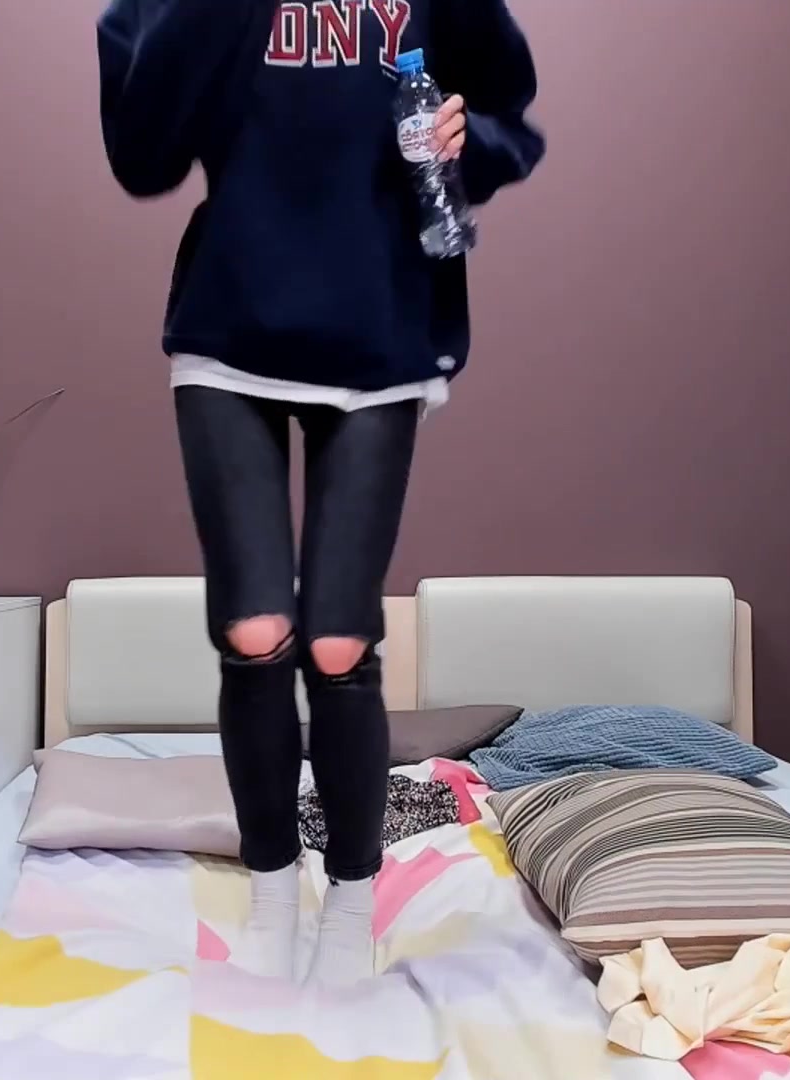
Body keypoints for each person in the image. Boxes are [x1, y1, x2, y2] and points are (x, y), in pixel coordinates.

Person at [96, 0, 543, 985]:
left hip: (381, 335)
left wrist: (468, 142)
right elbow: (142, 156)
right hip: (229, 334)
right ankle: (270, 893)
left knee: (339, 643)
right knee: (255, 631)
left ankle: (349, 899)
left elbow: (511, 123)